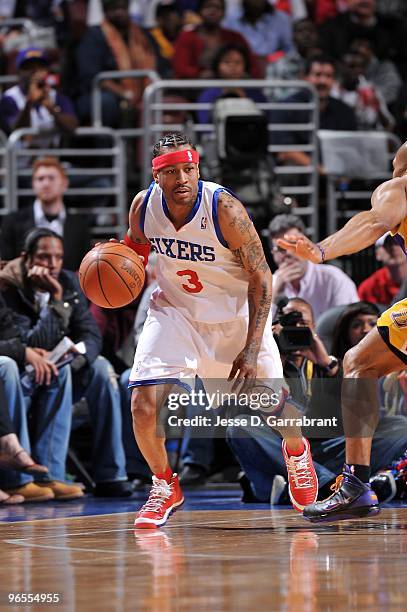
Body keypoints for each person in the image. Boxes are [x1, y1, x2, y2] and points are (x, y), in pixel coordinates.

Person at [120, 131, 318, 528]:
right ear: (155, 176)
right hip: (176, 312)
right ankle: (164, 485)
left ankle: (296, 452)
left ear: (198, 169)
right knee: (143, 405)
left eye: (189, 169)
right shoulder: (143, 206)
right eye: (172, 172)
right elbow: (136, 253)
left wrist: (250, 346)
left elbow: (263, 276)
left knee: (275, 408)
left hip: (236, 316)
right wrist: (115, 262)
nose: (182, 180)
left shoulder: (223, 207)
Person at [276, 139, 407, 522]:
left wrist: (321, 250)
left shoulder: (398, 186)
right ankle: (356, 485)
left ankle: (354, 486)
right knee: (360, 361)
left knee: (360, 364)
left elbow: (372, 222)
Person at [0, 228, 132, 497]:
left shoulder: (70, 282)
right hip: (24, 372)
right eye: (44, 257)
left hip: (55, 368)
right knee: (18, 368)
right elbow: (27, 340)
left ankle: (111, 474)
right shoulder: (10, 286)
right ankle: (29, 476)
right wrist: (57, 301)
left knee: (102, 368)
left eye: (58, 257)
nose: (52, 264)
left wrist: (72, 362)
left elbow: (91, 335)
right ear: (26, 258)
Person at [1, 157, 91, 271]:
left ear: (64, 183)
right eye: (40, 179)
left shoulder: (79, 225)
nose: (46, 184)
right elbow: (7, 266)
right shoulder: (12, 222)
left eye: (51, 178)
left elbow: (83, 268)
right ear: (33, 184)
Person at [268, 214, 359, 321]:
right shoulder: (268, 285)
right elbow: (258, 333)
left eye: (293, 244)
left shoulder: (334, 279)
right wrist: (274, 296)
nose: (288, 252)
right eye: (281, 248)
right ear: (272, 253)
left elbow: (350, 325)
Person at [0, 47, 78, 138]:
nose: (35, 72)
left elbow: (72, 127)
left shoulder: (56, 96)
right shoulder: (9, 98)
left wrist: (51, 109)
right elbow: (15, 131)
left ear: (47, 71)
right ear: (18, 72)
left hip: (52, 151)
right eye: (29, 68)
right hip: (21, 152)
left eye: (40, 67)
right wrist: (29, 103)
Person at [172, 0, 257, 79]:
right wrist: (201, 73)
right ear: (199, 11)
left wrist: (240, 73)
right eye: (208, 7)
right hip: (194, 89)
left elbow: (253, 68)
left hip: (233, 87)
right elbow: (180, 68)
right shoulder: (186, 37)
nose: (212, 11)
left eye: (218, 7)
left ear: (223, 12)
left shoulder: (235, 37)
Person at [357, 233, 407, 307]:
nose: (394, 248)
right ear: (377, 253)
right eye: (387, 244)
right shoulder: (368, 288)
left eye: (398, 242)